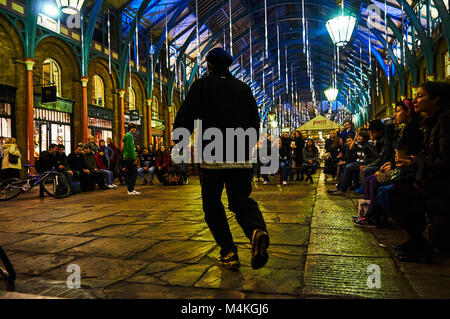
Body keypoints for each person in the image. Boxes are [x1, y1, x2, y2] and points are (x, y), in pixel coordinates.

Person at [173, 47, 269, 270]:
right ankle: (256, 230)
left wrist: (180, 139)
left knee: (212, 205)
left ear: (208, 65)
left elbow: (185, 116)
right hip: (241, 155)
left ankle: (229, 251)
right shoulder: (243, 88)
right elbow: (255, 123)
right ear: (229, 65)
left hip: (212, 157)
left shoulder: (201, 86)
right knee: (240, 201)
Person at [392, 82, 450, 261]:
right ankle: (418, 240)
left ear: (436, 98)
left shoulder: (445, 121)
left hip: (441, 181)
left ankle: (428, 246)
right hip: (431, 175)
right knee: (397, 191)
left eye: (420, 95)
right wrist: (413, 161)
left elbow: (445, 159)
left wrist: (415, 162)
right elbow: (428, 153)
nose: (415, 100)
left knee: (400, 194)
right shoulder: (430, 121)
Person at [328, 131, 377, 196]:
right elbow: (351, 148)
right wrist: (355, 139)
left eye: (360, 136)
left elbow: (375, 156)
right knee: (347, 167)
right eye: (357, 136)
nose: (358, 138)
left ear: (364, 137)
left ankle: (342, 189)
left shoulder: (368, 144)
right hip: (358, 162)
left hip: (364, 163)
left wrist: (365, 163)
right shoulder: (359, 144)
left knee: (348, 167)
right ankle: (339, 188)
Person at [122, 123, 140, 195]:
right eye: (133, 128)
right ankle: (130, 190)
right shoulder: (129, 136)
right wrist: (134, 158)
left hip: (127, 157)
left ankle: (131, 189)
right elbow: (130, 148)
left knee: (131, 173)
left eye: (135, 128)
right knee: (133, 173)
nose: (134, 129)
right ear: (130, 128)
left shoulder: (127, 135)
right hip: (130, 158)